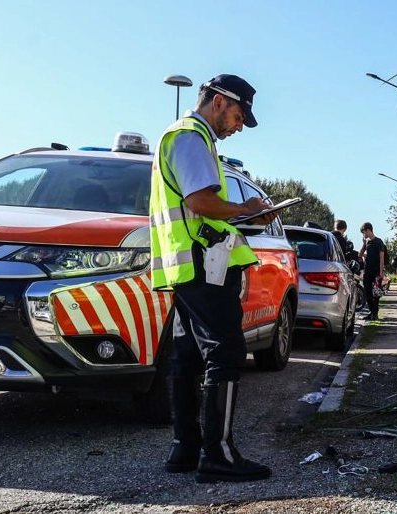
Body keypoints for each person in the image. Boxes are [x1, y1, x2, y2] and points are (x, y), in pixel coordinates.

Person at [148, 74, 275, 483]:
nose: (239, 125)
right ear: (219, 102)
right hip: (204, 264)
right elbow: (200, 201)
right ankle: (217, 454)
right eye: (239, 116)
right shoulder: (191, 137)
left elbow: (197, 207)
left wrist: (245, 214)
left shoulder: (187, 138)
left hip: (188, 266)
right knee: (226, 350)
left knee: (187, 355)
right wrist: (245, 209)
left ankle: (185, 448)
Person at [358, 222, 385, 321]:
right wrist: (363, 244)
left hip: (376, 271)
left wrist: (381, 273)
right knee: (367, 292)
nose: (363, 234)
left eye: (363, 232)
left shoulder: (379, 242)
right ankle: (371, 312)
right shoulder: (367, 242)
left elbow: (382, 258)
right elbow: (360, 254)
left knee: (376, 293)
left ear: (368, 230)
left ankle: (375, 313)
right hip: (367, 270)